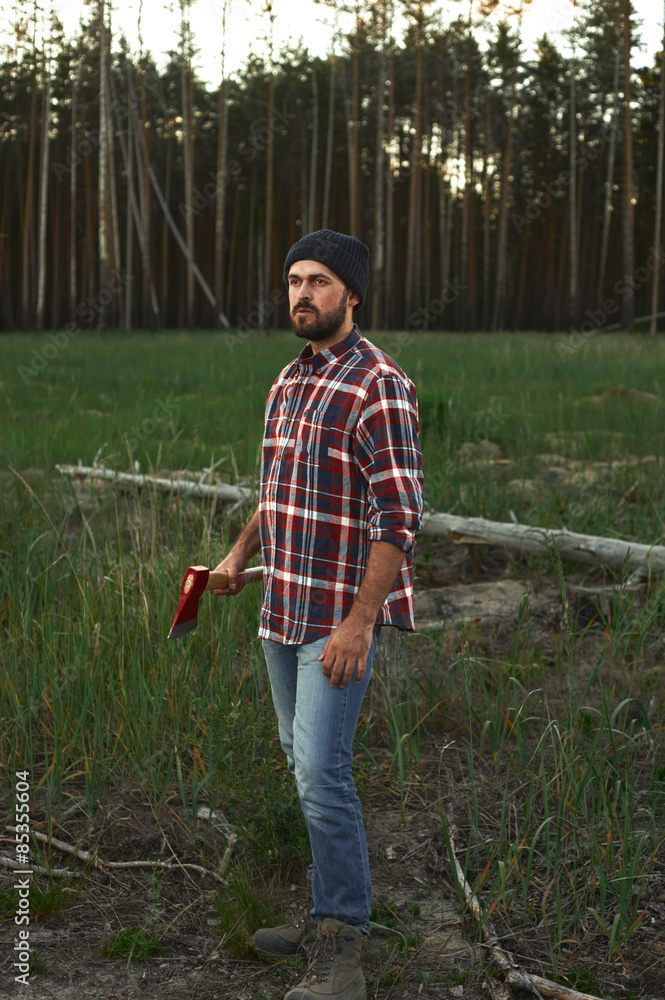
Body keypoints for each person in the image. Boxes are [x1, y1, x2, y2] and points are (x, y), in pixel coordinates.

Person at [213, 229, 424, 1000]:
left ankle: (344, 947)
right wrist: (239, 556)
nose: (301, 293)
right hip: (281, 608)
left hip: (336, 620)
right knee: (304, 769)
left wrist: (360, 622)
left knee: (322, 774)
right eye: (294, 280)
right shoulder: (287, 381)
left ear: (352, 294)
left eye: (319, 282)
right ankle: (328, 910)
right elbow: (276, 495)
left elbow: (399, 517)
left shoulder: (378, 384)